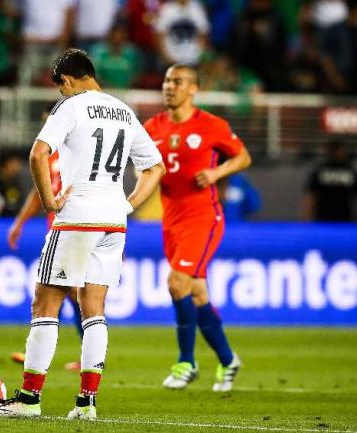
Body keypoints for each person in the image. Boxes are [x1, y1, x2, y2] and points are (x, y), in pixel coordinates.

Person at [0, 48, 165, 419]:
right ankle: (86, 403)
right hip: (113, 221)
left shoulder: (70, 107)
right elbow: (155, 167)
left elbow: (38, 154)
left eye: (59, 88)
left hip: (78, 215)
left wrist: (50, 203)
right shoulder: (124, 111)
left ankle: (29, 400)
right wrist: (128, 205)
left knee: (45, 305)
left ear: (66, 79)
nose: (60, 95)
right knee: (93, 308)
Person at [143, 64, 252, 392]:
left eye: (177, 82)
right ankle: (228, 358)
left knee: (177, 284)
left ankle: (186, 363)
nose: (169, 87)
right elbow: (145, 167)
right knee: (197, 294)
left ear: (193, 89)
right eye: (166, 81)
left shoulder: (211, 125)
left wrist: (217, 174)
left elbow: (243, 157)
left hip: (203, 218)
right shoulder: (152, 127)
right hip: (171, 220)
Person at [6, 102, 84, 372]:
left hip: (76, 229)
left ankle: (44, 355)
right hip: (57, 231)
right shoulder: (49, 155)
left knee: (63, 291)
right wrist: (20, 223)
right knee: (64, 292)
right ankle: (85, 355)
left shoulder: (78, 153)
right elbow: (40, 193)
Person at [303, 140, 357, 223]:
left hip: (342, 218)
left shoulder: (349, 171)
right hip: (325, 218)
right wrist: (307, 218)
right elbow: (311, 197)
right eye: (341, 151)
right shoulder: (320, 170)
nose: (343, 153)